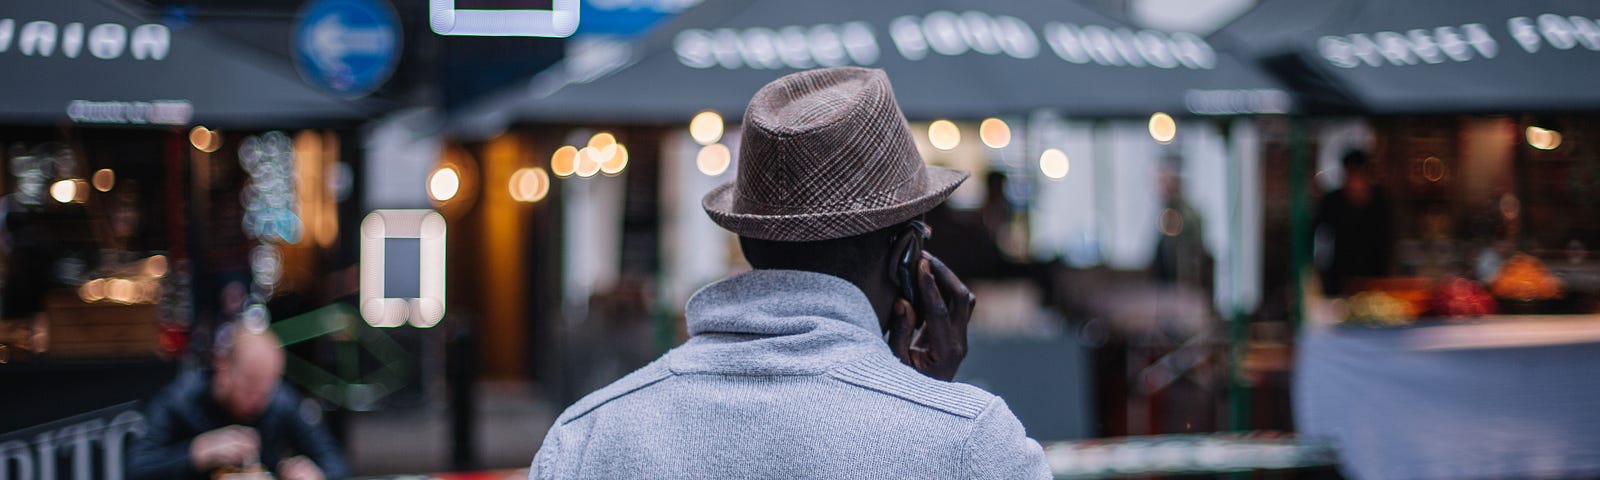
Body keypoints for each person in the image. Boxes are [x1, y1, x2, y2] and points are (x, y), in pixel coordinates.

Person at [530, 67, 1049, 479]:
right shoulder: (974, 444)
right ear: (907, 258)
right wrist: (923, 399)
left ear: (745, 239)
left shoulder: (586, 439)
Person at [128, 321, 348, 480]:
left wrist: (317, 474)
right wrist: (198, 452)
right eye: (250, 385)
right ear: (223, 368)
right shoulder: (181, 400)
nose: (258, 399)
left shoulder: (279, 400)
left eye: (267, 387)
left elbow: (334, 459)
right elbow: (136, 469)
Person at [1313, 150, 1393, 295]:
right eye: (1351, 173)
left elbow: (1387, 240)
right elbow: (1315, 232)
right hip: (1339, 277)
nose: (1354, 180)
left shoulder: (1380, 201)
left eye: (1359, 173)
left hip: (1373, 277)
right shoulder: (1333, 201)